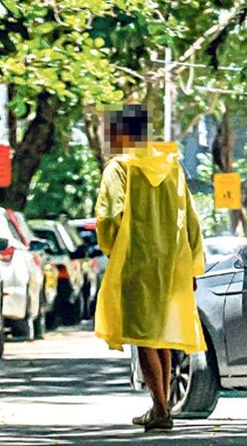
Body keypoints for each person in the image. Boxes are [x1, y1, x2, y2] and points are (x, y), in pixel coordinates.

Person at [94, 105, 205, 432]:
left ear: (120, 134)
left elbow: (109, 217)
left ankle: (160, 407)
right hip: (172, 261)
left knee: (143, 337)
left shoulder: (118, 168)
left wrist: (113, 248)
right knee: (162, 334)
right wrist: (193, 265)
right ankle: (162, 404)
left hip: (136, 261)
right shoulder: (171, 166)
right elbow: (192, 220)